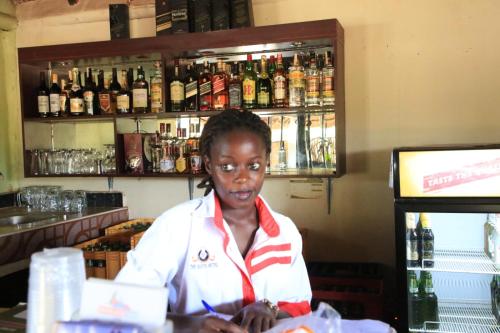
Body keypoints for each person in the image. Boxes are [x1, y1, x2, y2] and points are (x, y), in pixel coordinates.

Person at [116, 110, 311, 333]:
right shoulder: (177, 226)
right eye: (227, 167)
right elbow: (120, 302)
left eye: (254, 165)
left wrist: (270, 309)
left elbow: (301, 304)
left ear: (267, 161)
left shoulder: (285, 231)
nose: (243, 178)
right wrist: (190, 324)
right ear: (208, 164)